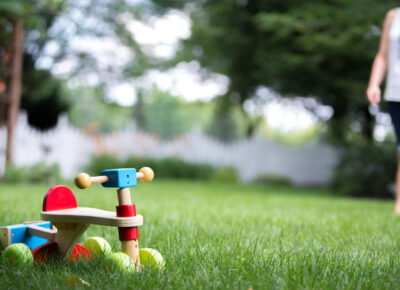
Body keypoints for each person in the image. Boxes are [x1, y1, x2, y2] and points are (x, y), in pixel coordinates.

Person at [367, 8, 400, 213]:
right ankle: (399, 205)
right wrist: (373, 84)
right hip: (396, 92)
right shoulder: (393, 16)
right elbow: (383, 55)